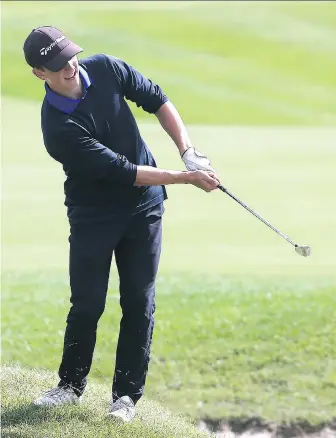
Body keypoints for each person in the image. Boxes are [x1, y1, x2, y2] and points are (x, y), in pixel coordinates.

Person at [23, 26, 220, 423]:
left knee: (139, 302)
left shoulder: (107, 69)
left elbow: (157, 99)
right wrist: (187, 179)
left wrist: (189, 151)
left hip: (144, 210)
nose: (70, 66)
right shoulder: (57, 128)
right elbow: (124, 171)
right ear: (39, 72)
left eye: (70, 55)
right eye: (57, 64)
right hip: (94, 215)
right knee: (88, 303)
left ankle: (125, 398)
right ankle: (69, 386)